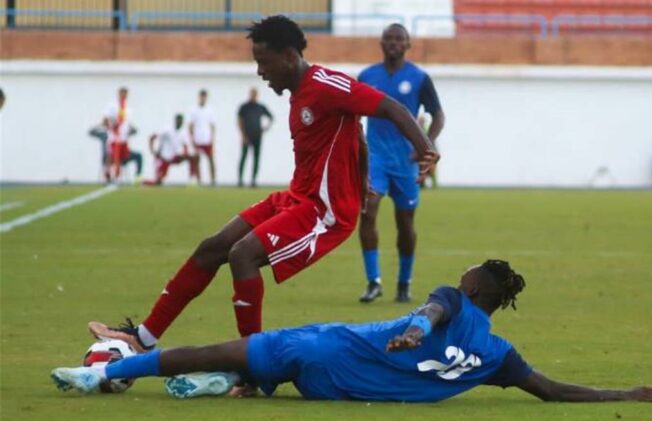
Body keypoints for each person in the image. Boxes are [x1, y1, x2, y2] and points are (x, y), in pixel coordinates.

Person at [88, 16, 438, 368]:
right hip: (295, 197)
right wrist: (363, 179)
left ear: (288, 56)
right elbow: (357, 136)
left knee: (243, 255)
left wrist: (425, 148)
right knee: (212, 248)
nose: (260, 72)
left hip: (324, 212)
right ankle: (143, 338)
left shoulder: (327, 84)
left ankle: (249, 366)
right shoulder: (301, 92)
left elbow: (392, 108)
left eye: (264, 62)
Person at [53, 260, 652, 404]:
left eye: (470, 272)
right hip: (337, 391)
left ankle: (104, 370)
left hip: (322, 346)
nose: (461, 274)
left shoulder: (451, 300)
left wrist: (410, 329)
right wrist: (622, 395)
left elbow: (425, 316)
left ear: (477, 288)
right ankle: (234, 382)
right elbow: (551, 389)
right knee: (243, 368)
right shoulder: (501, 356)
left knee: (201, 350)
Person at [357, 23, 446, 304]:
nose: (393, 43)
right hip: (375, 158)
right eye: (388, 38)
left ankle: (404, 283)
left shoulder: (419, 78)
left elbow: (438, 115)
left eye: (399, 39)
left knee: (405, 221)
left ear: (407, 45)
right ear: (381, 43)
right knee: (368, 211)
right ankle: (373, 281)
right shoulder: (367, 76)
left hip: (405, 159)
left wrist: (425, 146)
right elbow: (353, 115)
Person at [143, 114, 200, 186]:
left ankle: (192, 179)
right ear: (175, 121)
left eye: (181, 121)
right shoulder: (167, 130)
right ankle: (142, 182)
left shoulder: (183, 132)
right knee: (158, 182)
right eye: (178, 121)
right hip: (164, 158)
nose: (179, 123)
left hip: (175, 156)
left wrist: (185, 153)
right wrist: (152, 150)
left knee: (194, 157)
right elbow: (152, 137)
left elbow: (185, 146)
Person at [237, 87, 274, 187]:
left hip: (257, 136)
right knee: (244, 157)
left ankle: (253, 180)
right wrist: (243, 135)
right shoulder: (244, 107)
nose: (253, 96)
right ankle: (240, 180)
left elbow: (271, 117)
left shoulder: (260, 107)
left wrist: (265, 128)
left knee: (256, 158)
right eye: (252, 93)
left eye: (255, 94)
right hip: (246, 135)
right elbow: (240, 121)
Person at [104, 87, 140, 183]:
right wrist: (111, 126)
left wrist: (131, 130)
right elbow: (106, 119)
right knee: (111, 155)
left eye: (125, 94)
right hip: (114, 135)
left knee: (121, 156)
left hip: (123, 137)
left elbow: (127, 122)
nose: (124, 95)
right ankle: (108, 172)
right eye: (122, 93)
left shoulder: (128, 108)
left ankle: (117, 175)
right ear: (118, 94)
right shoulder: (112, 106)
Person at [189, 89, 217, 186]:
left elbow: (212, 125)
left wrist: (212, 138)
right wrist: (192, 139)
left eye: (204, 97)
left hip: (207, 139)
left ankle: (213, 180)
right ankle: (199, 180)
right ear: (199, 97)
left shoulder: (210, 110)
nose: (203, 98)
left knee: (211, 159)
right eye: (201, 96)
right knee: (197, 160)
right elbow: (191, 125)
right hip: (197, 139)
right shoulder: (194, 110)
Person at [417, 113, 438, 189]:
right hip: (420, 154)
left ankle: (434, 186)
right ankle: (422, 185)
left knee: (432, 170)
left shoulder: (428, 129)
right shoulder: (415, 129)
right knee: (421, 170)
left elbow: (432, 141)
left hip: (430, 152)